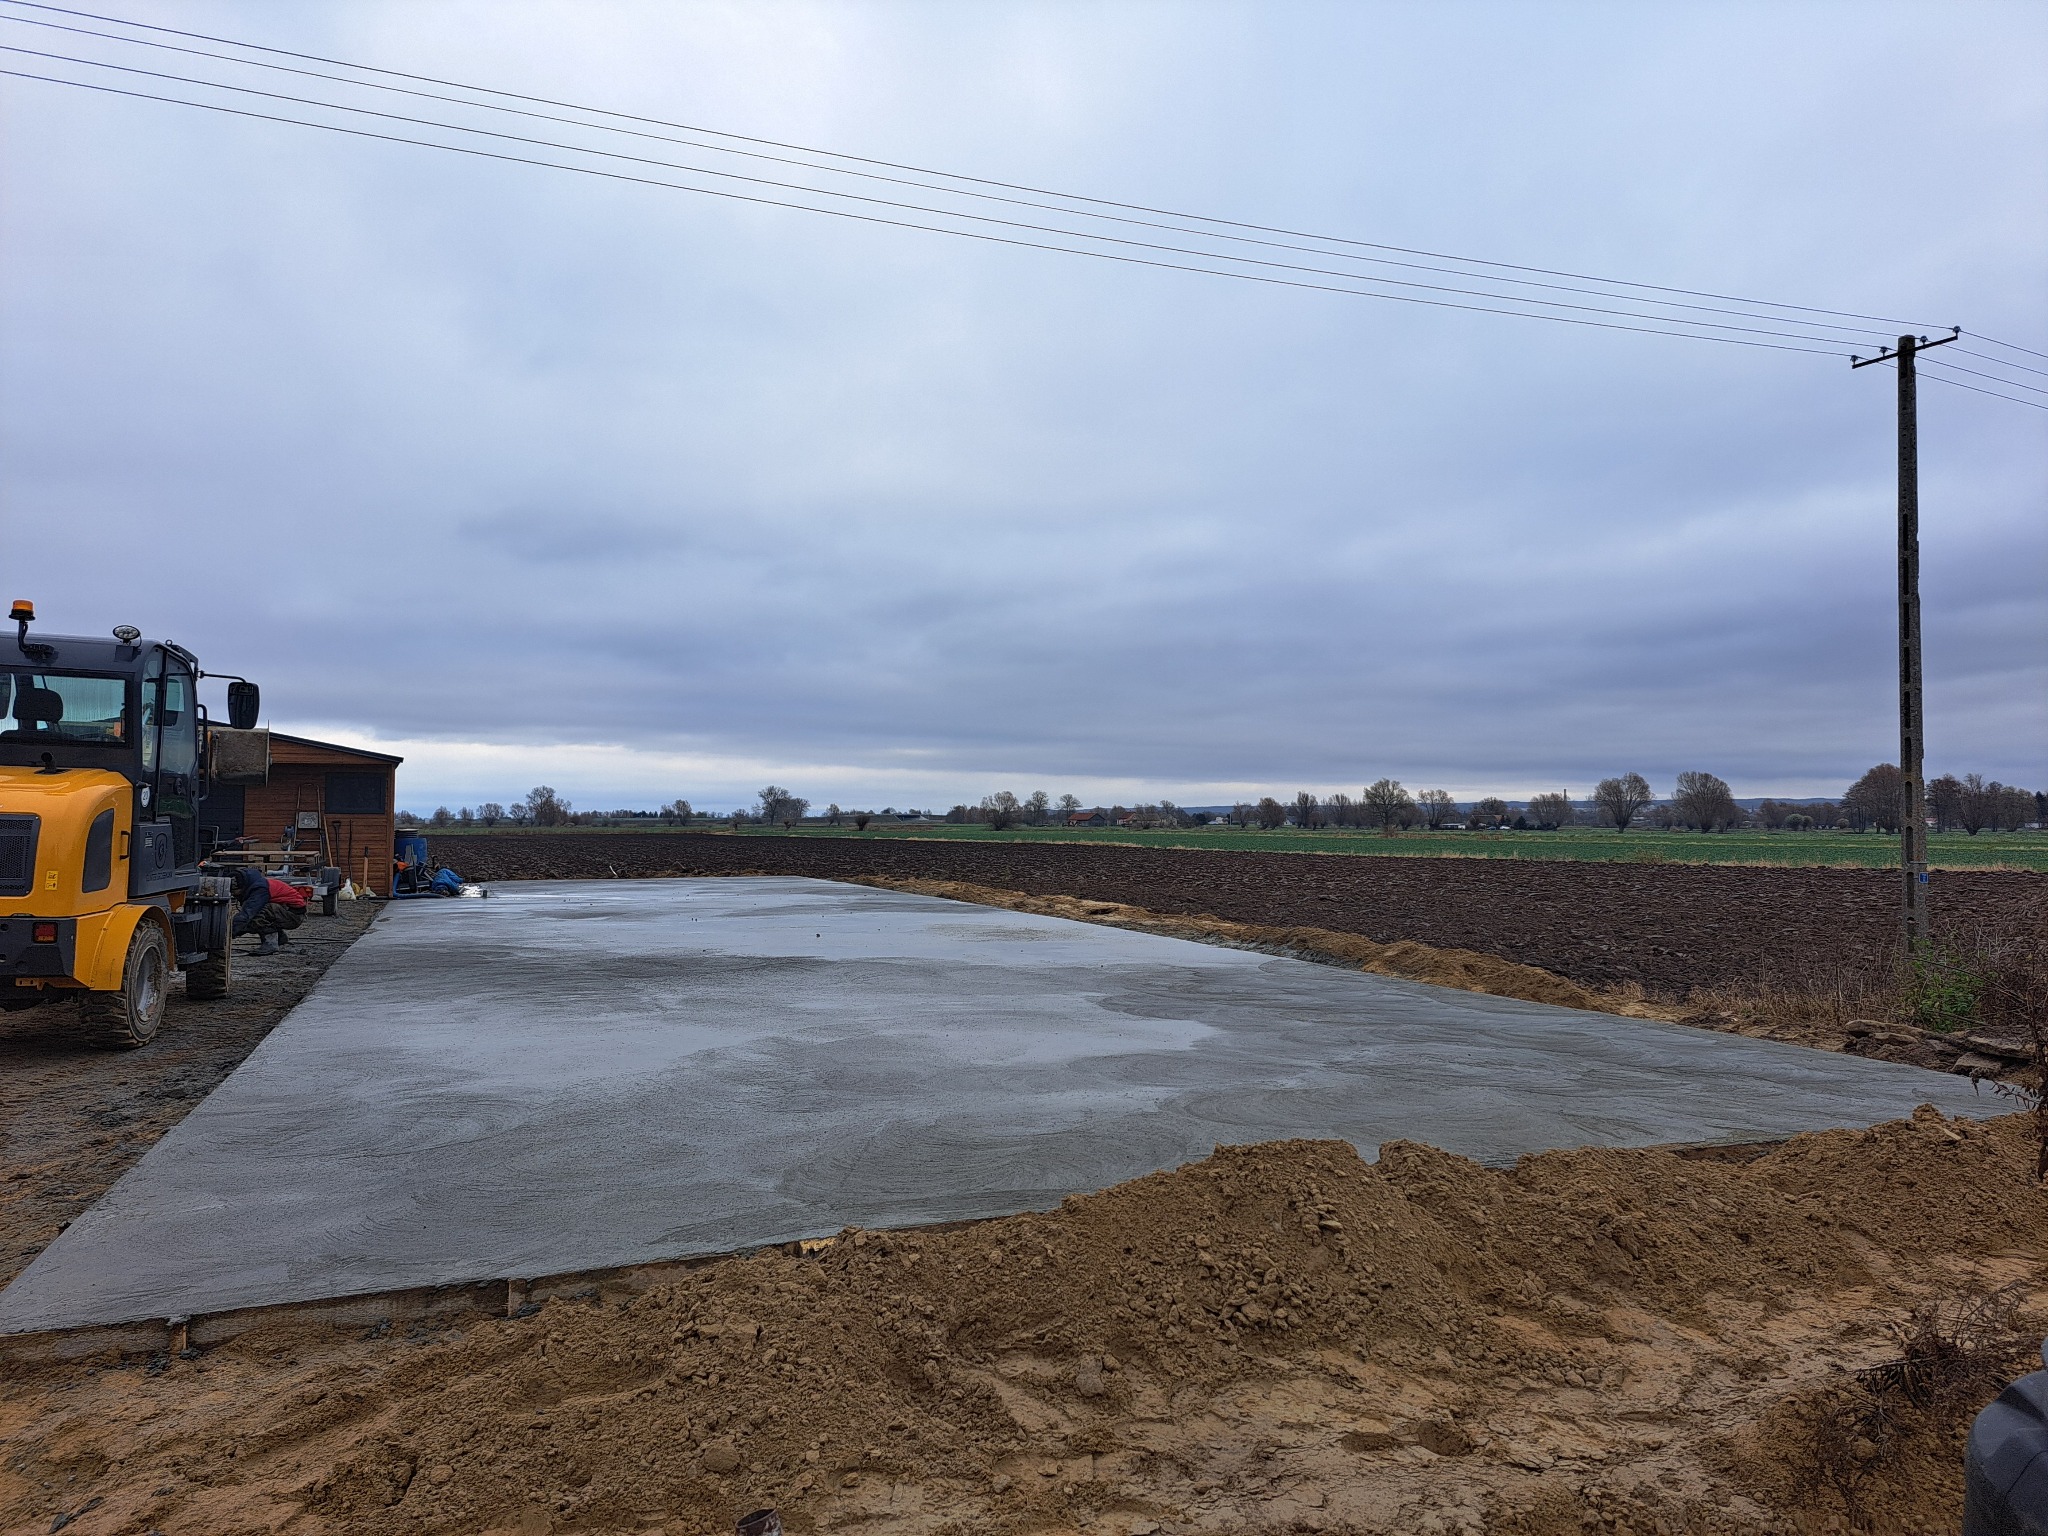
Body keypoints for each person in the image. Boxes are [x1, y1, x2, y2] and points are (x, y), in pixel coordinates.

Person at [230, 865, 307, 953]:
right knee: (258, 915)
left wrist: (229, 932)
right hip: (289, 912)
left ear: (241, 887)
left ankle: (271, 944)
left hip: (294, 916)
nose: (233, 894)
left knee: (258, 914)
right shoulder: (255, 884)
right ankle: (280, 938)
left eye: (233, 892)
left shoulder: (260, 889)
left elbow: (247, 914)